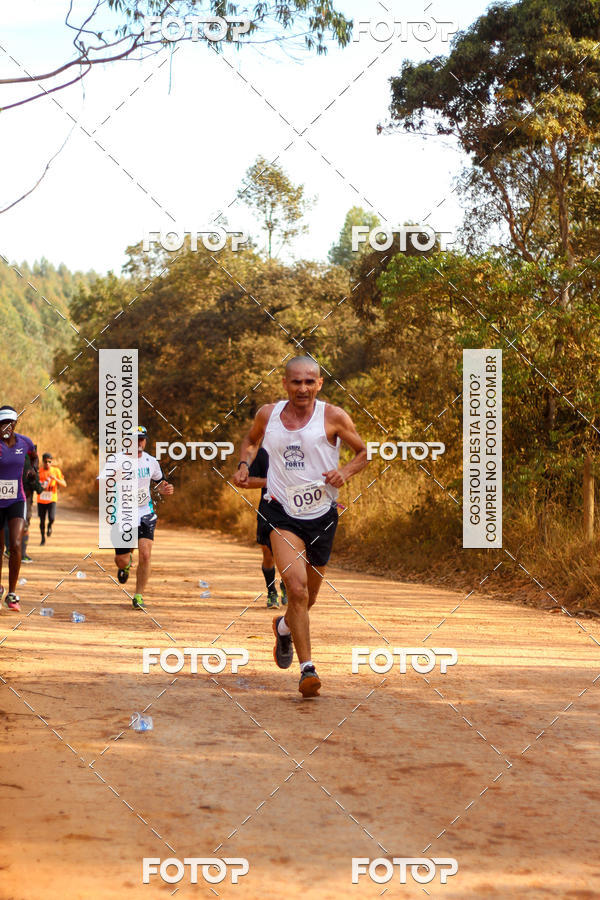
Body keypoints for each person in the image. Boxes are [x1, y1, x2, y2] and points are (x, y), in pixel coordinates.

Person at [233, 356, 368, 697]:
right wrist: (243, 465)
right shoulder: (269, 414)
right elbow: (249, 441)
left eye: (310, 382)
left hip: (322, 513)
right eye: (296, 382)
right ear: (285, 384)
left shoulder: (334, 416)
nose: (303, 388)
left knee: (308, 598)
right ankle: (308, 669)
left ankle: (283, 626)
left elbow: (363, 452)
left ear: (319, 384)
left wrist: (345, 472)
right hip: (280, 511)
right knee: (296, 589)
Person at [105, 425, 174, 609]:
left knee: (146, 554)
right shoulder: (117, 460)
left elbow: (160, 483)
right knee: (122, 560)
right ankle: (125, 566)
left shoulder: (151, 462)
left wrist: (165, 489)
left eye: (142, 439)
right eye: (136, 439)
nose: (140, 442)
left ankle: (138, 596)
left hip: (145, 512)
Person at [0, 405, 38, 611]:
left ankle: (12, 593)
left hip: (16, 499)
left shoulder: (25, 442)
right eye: (2, 423)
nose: (6, 426)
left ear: (15, 424)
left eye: (10, 423)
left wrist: (33, 469)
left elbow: (34, 455)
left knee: (15, 544)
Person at [244, 446, 287, 609]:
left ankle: (286, 584)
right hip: (269, 508)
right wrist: (271, 481)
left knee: (294, 553)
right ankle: (271, 592)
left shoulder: (303, 448)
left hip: (297, 509)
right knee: (268, 553)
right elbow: (248, 482)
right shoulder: (263, 453)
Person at [38, 453, 66, 544]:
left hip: (51, 499)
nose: (47, 463)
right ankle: (42, 538)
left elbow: (64, 484)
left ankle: (50, 526)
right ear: (43, 462)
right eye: (45, 462)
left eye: (49, 462)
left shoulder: (56, 471)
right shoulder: (39, 471)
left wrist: (55, 479)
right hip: (41, 500)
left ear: (51, 462)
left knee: (52, 517)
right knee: (42, 520)